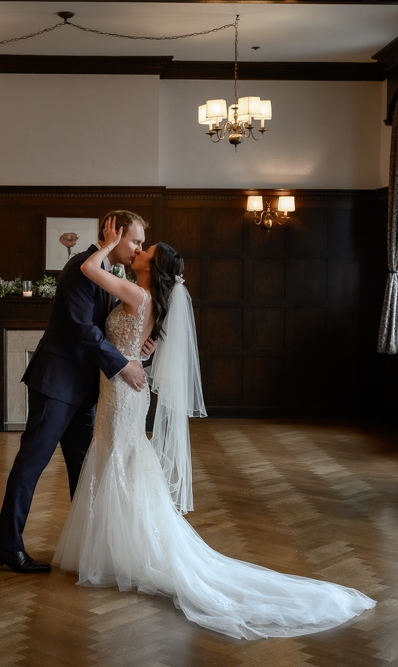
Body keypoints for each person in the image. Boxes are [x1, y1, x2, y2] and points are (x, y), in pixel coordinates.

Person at [52, 217, 376, 639]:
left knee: (118, 459)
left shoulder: (136, 292)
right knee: (121, 460)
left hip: (123, 396)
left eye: (144, 250)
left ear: (153, 268)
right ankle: (117, 550)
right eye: (138, 244)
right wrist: (141, 354)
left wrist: (108, 242)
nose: (137, 251)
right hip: (125, 389)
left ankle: (123, 553)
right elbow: (134, 347)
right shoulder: (146, 296)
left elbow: (90, 270)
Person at [0, 211, 155, 574]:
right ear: (113, 234)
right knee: (31, 462)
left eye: (142, 243)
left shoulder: (110, 274)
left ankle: (90, 547)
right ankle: (7, 545)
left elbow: (109, 328)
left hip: (84, 390)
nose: (138, 249)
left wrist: (138, 347)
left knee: (85, 470)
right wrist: (122, 364)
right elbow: (84, 330)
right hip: (57, 383)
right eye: (135, 241)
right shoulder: (81, 267)